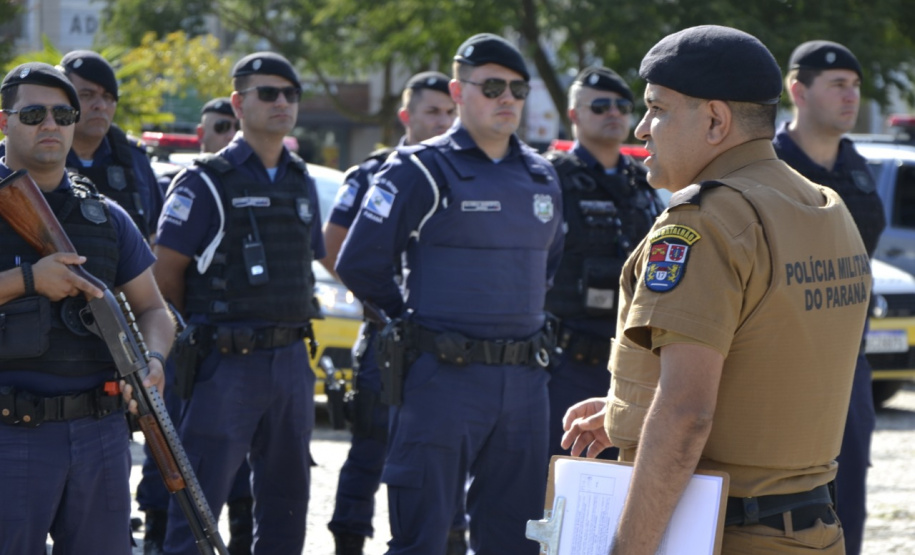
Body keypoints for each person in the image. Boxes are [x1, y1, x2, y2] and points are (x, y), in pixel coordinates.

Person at [561, 25, 872, 554]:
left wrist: (626, 549)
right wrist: (631, 416)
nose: (641, 128)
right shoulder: (824, 205)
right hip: (814, 529)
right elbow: (770, 361)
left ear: (714, 120)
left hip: (725, 533)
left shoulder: (706, 221)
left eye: (657, 108)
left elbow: (686, 414)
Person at [336, 33, 564, 555]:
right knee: (422, 537)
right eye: (491, 86)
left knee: (515, 540)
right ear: (459, 92)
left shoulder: (542, 176)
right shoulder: (419, 169)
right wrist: (408, 325)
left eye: (517, 89)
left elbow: (549, 264)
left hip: (525, 385)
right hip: (442, 380)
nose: (506, 98)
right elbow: (360, 262)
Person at [153, 52, 324, 555]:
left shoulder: (300, 178)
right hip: (225, 364)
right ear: (238, 102)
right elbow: (166, 274)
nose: (281, 103)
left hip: (292, 362)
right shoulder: (206, 178)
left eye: (290, 94)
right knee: (200, 508)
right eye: (267, 93)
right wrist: (207, 331)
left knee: (288, 504)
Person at [0, 62, 171, 553]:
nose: (50, 124)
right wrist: (29, 279)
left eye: (62, 112)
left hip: (100, 434)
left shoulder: (106, 215)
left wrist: (154, 362)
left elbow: (155, 310)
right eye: (33, 113)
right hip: (10, 434)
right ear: (4, 122)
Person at [322, 71, 464, 555]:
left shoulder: (463, 172)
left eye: (449, 112)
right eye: (432, 111)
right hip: (387, 338)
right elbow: (335, 248)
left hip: (445, 342)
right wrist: (387, 305)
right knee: (369, 453)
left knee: (444, 458)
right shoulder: (373, 172)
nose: (443, 121)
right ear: (407, 115)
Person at [773, 40, 885, 555]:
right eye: (838, 84)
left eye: (856, 86)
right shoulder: (768, 168)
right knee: (780, 508)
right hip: (780, 370)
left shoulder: (858, 169)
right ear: (798, 89)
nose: (851, 96)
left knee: (849, 504)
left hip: (848, 368)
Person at [136, 96, 252, 555]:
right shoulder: (189, 181)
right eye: (219, 126)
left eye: (232, 126)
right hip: (186, 338)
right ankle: (159, 531)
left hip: (240, 353)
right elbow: (165, 271)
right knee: (167, 442)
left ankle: (240, 532)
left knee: (240, 461)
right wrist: (185, 327)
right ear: (202, 132)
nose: (228, 134)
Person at [544, 66, 662, 461]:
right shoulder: (549, 178)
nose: (613, 113)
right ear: (573, 115)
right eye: (599, 106)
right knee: (556, 475)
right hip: (565, 361)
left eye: (621, 105)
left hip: (629, 361)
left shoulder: (644, 180)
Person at [57, 50, 164, 242]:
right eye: (87, 95)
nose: (101, 106)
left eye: (108, 97)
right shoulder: (34, 152)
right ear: (62, 99)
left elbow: (155, 235)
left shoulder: (134, 159)